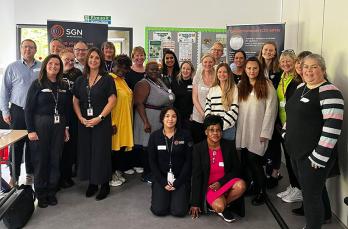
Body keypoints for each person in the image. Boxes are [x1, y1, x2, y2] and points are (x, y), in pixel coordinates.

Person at [283, 54, 344, 229]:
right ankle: (324, 216)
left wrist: (319, 157)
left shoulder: (330, 92)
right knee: (313, 189)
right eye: (306, 66)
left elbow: (332, 128)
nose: (308, 70)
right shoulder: (301, 86)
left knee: (311, 197)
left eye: (314, 67)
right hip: (296, 151)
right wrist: (286, 133)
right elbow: (292, 113)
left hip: (314, 156)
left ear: (323, 70)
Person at [24, 54, 70, 208]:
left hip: (59, 125)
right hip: (40, 125)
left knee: (55, 159)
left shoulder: (63, 85)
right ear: (45, 65)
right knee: (41, 160)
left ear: (60, 67)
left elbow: (66, 109)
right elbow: (28, 109)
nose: (54, 66)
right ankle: (41, 193)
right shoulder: (37, 84)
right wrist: (31, 130)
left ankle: (51, 191)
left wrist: (66, 129)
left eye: (57, 64)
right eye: (51, 63)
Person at [73, 47, 116, 200]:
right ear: (87, 60)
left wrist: (100, 118)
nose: (93, 60)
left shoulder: (107, 79)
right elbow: (75, 101)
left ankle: (104, 184)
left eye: (97, 58)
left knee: (101, 152)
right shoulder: (80, 79)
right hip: (84, 122)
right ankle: (92, 183)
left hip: (101, 122)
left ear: (101, 60)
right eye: (91, 57)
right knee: (87, 152)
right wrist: (80, 118)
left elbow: (112, 100)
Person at [236, 57, 277, 206]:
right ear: (245, 70)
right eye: (249, 68)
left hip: (258, 130)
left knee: (255, 161)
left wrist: (265, 132)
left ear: (259, 69)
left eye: (255, 68)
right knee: (247, 161)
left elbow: (271, 111)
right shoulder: (242, 85)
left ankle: (262, 192)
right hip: (244, 129)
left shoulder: (267, 85)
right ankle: (253, 187)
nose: (251, 71)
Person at [0, 39, 41, 187]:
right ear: (21, 48)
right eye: (25, 47)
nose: (28, 50)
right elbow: (4, 90)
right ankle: (14, 176)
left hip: (36, 112)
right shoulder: (13, 67)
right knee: (16, 145)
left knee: (32, 144)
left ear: (35, 50)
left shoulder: (41, 67)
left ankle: (30, 175)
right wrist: (5, 111)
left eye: (31, 47)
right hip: (17, 110)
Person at [190, 115, 246, 223]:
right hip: (210, 187)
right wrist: (195, 203)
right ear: (206, 132)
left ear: (222, 132)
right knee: (219, 206)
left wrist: (221, 182)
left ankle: (223, 203)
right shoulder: (198, 149)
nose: (215, 133)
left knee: (241, 185)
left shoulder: (229, 146)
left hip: (225, 183)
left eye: (218, 130)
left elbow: (236, 170)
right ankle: (221, 207)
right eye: (211, 130)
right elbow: (196, 176)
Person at [133, 61, 174, 183]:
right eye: (151, 69)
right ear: (146, 71)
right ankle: (147, 174)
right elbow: (139, 103)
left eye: (156, 69)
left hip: (159, 118)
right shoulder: (143, 83)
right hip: (148, 118)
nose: (154, 71)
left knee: (156, 147)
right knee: (147, 147)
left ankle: (154, 172)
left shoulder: (159, 81)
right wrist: (146, 122)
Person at [148, 107, 193, 217]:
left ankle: (176, 196)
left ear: (177, 119)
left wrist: (178, 182)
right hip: (161, 178)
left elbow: (189, 161)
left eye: (174, 116)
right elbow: (152, 162)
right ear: (162, 118)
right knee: (159, 210)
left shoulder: (185, 135)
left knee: (179, 212)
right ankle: (165, 196)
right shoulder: (155, 136)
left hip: (180, 178)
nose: (170, 119)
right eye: (167, 116)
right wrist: (163, 182)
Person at [274, 50, 303, 202]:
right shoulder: (281, 77)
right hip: (282, 123)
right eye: (283, 61)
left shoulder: (298, 79)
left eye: (288, 61)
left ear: (295, 61)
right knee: (288, 156)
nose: (285, 64)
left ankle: (298, 189)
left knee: (293, 159)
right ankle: (293, 186)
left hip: (293, 124)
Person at [258, 41, 282, 187]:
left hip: (275, 111)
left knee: (274, 143)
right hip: (260, 110)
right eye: (265, 49)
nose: (268, 52)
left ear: (275, 52)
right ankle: (262, 173)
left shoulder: (279, 69)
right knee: (261, 142)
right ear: (261, 51)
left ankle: (274, 172)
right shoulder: (257, 68)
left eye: (271, 50)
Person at [59, 48, 83, 188]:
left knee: (70, 146)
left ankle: (67, 175)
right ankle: (58, 176)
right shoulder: (55, 73)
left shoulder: (78, 73)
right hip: (58, 114)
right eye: (66, 59)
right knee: (59, 147)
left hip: (73, 114)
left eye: (71, 60)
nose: (69, 62)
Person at [109, 54, 134, 186]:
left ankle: (116, 172)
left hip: (125, 121)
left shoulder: (122, 80)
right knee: (113, 150)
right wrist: (111, 123)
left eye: (125, 68)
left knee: (120, 149)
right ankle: (110, 175)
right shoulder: (109, 79)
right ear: (114, 65)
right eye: (120, 66)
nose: (122, 70)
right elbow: (104, 103)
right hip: (115, 122)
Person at [124, 46, 147, 175]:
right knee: (131, 135)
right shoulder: (128, 72)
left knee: (140, 136)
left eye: (141, 55)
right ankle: (129, 163)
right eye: (136, 55)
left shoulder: (147, 72)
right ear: (133, 57)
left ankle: (139, 162)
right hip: (131, 108)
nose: (139, 58)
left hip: (145, 109)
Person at [205, 63, 238, 140]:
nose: (222, 74)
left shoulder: (234, 88)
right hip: (213, 129)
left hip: (227, 129)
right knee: (215, 152)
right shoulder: (213, 89)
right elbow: (207, 106)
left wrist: (221, 126)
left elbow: (234, 109)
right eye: (219, 72)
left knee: (227, 151)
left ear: (229, 74)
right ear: (216, 74)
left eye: (225, 72)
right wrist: (210, 124)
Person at [191, 54, 216, 143]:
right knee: (199, 143)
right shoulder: (197, 76)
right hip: (198, 116)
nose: (207, 64)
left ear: (214, 63)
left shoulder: (217, 76)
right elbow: (194, 98)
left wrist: (209, 116)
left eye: (210, 62)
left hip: (214, 115)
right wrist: (204, 115)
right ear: (202, 63)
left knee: (212, 143)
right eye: (205, 62)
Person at [171, 61, 195, 130]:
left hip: (189, 116)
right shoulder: (175, 82)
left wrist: (193, 114)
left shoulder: (194, 83)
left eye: (188, 69)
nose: (185, 71)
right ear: (181, 69)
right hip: (176, 115)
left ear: (191, 71)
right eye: (183, 68)